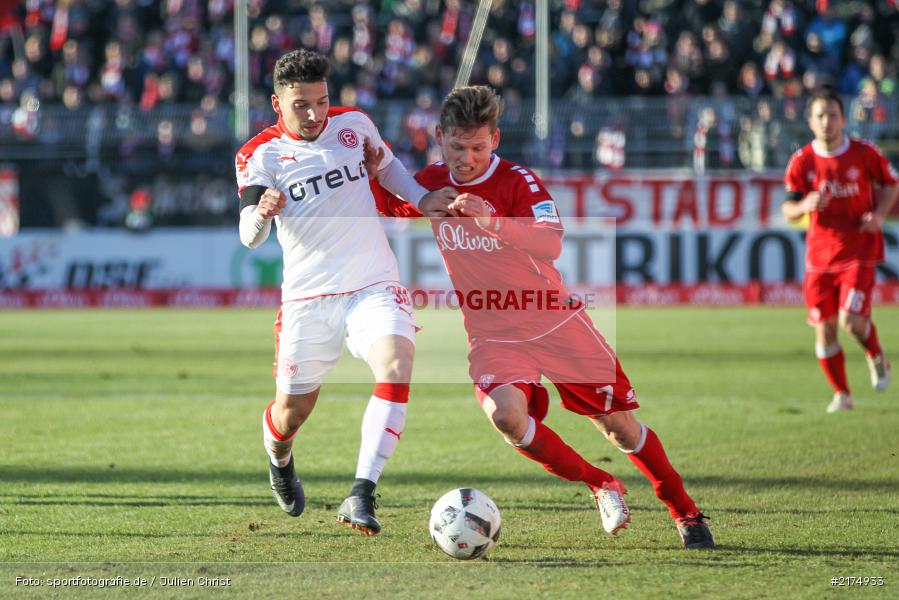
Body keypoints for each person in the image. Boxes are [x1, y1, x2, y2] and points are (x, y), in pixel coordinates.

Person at [371, 86, 714, 549]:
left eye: (476, 147)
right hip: (493, 333)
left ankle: (685, 511)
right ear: (440, 137)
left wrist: (492, 221)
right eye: (457, 147)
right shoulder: (431, 183)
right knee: (508, 418)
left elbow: (551, 242)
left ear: (494, 139)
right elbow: (386, 198)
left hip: (554, 321)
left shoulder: (518, 181)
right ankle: (601, 484)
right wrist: (368, 162)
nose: (466, 158)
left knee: (621, 428)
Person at [234, 48, 456, 535]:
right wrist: (262, 213)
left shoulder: (354, 124)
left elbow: (388, 169)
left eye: (321, 101)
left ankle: (361, 492)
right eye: (301, 105)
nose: (314, 114)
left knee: (397, 363)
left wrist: (423, 198)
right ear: (277, 103)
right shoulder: (260, 155)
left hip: (372, 283)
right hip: (308, 301)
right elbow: (248, 235)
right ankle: (279, 456)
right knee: (292, 413)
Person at [783, 88, 898, 412]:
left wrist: (878, 214)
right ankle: (843, 395)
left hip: (859, 248)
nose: (827, 122)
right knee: (825, 329)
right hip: (819, 257)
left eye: (833, 115)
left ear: (843, 119)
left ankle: (875, 353)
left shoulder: (864, 153)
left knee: (851, 321)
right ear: (810, 121)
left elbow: (891, 184)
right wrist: (804, 204)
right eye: (820, 115)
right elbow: (788, 210)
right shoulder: (802, 161)